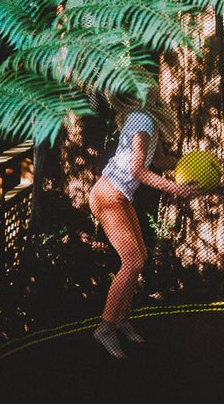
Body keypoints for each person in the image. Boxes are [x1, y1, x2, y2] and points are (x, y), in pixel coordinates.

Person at [87, 88, 203, 359]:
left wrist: (193, 165)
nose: (154, 89)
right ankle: (105, 327)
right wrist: (177, 189)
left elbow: (159, 160)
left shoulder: (145, 119)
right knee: (133, 262)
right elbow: (137, 170)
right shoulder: (142, 120)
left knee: (140, 257)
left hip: (117, 196)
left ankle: (120, 318)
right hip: (108, 196)